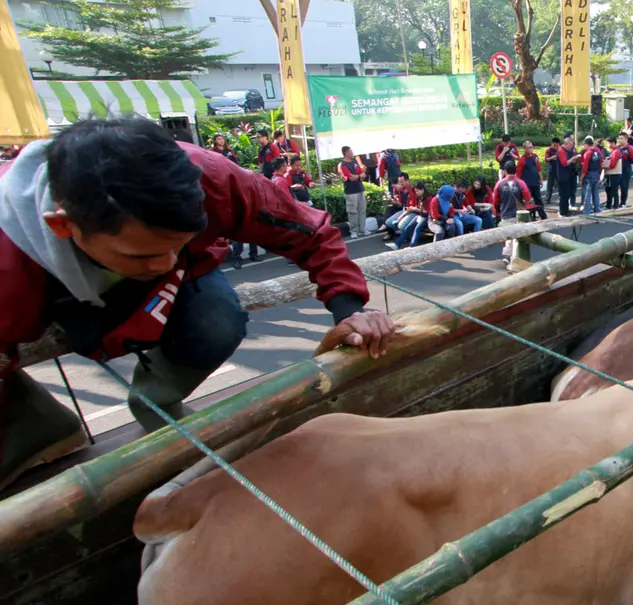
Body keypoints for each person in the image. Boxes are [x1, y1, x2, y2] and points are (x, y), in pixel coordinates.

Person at [0, 119, 395, 484]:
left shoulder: (213, 178)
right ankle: (31, 419)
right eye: (141, 255)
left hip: (188, 278)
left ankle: (156, 399)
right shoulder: (8, 270)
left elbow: (309, 231)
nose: (162, 263)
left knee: (217, 321)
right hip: (48, 294)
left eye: (177, 244)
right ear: (63, 225)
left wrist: (350, 308)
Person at [337, 146, 368, 238]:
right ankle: (354, 231)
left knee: (362, 210)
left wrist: (358, 176)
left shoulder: (354, 162)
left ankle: (362, 229)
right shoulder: (342, 164)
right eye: (351, 151)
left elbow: (362, 174)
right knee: (352, 212)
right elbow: (350, 177)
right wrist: (359, 176)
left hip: (360, 189)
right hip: (351, 192)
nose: (352, 153)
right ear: (346, 153)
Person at [392, 181, 430, 249]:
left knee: (417, 229)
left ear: (422, 189)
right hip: (420, 215)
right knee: (408, 227)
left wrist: (416, 209)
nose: (416, 193)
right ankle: (397, 244)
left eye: (417, 191)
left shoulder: (428, 198)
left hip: (427, 217)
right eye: (415, 191)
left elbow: (427, 212)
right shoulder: (419, 197)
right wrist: (414, 208)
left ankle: (411, 246)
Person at [516, 141, 548, 219]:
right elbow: (518, 174)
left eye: (532, 147)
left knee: (539, 201)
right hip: (527, 185)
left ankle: (543, 217)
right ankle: (528, 218)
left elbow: (539, 169)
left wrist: (541, 179)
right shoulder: (522, 160)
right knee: (527, 202)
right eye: (529, 147)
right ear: (524, 149)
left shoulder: (535, 157)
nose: (531, 149)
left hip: (535, 183)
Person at [579, 137, 604, 215]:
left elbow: (585, 168)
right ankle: (597, 208)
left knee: (588, 194)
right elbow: (602, 161)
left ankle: (587, 211)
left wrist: (581, 178)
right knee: (595, 192)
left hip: (589, 174)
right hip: (596, 174)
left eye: (584, 145)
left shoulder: (588, 153)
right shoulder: (598, 151)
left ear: (587, 144)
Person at [612, 133, 633, 207]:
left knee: (624, 188)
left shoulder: (630, 149)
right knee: (614, 187)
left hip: (626, 171)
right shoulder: (617, 148)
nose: (620, 140)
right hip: (616, 171)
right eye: (619, 138)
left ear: (626, 139)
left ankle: (623, 203)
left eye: (621, 138)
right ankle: (615, 203)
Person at [556, 136, 579, 216]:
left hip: (567, 176)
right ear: (566, 144)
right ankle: (563, 212)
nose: (571, 147)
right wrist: (572, 158)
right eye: (570, 145)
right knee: (564, 195)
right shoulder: (561, 151)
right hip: (562, 177)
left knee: (567, 194)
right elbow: (564, 163)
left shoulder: (565, 151)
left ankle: (566, 210)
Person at [603, 137, 621, 209]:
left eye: (608, 143)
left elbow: (613, 165)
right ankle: (610, 205)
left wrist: (604, 165)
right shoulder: (614, 151)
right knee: (609, 190)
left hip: (614, 174)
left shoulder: (616, 152)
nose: (607, 144)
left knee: (613, 190)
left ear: (613, 142)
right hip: (612, 174)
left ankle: (614, 206)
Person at [544, 137, 560, 204]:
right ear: (552, 143)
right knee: (550, 185)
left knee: (560, 184)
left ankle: (561, 198)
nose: (556, 146)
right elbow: (546, 159)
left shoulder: (559, 149)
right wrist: (551, 158)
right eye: (555, 144)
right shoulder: (549, 150)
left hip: (558, 169)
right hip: (551, 170)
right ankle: (547, 199)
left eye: (557, 144)